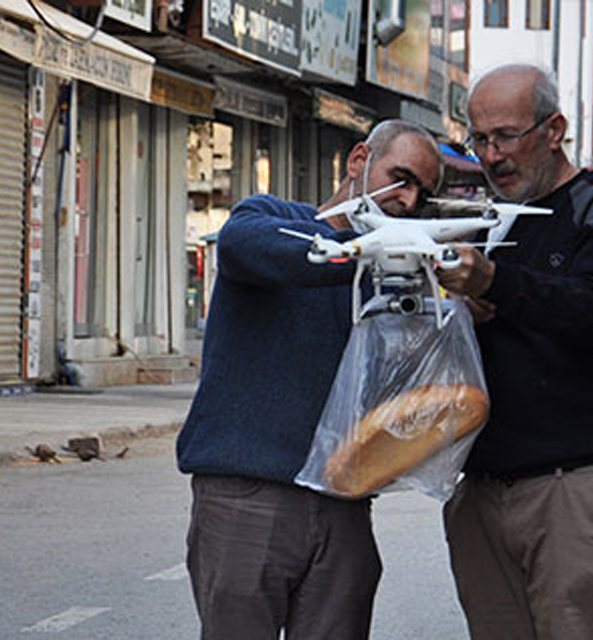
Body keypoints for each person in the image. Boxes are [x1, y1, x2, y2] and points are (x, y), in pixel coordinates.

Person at [175, 119, 442, 640]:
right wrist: (366, 252)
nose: (409, 201)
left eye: (423, 195)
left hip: (344, 506)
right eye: (401, 178)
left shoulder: (397, 271)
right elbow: (244, 244)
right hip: (249, 496)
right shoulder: (273, 218)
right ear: (359, 160)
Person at [435, 63, 593, 640]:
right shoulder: (488, 224)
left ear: (555, 129)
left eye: (506, 136)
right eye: (479, 139)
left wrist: (497, 284)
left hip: (580, 488)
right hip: (482, 491)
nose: (491, 156)